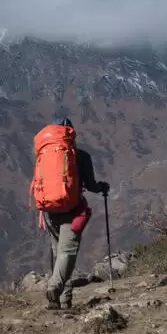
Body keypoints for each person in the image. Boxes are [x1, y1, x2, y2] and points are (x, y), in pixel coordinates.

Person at [40, 117, 109, 310]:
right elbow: (91, 185)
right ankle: (55, 288)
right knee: (67, 252)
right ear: (71, 134)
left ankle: (61, 301)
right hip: (72, 210)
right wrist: (102, 187)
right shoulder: (81, 156)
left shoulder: (44, 154)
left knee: (58, 252)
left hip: (49, 210)